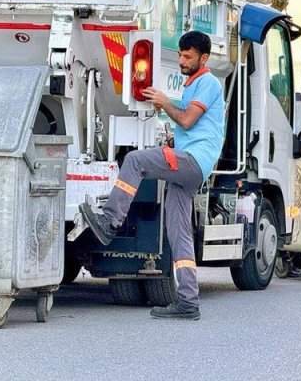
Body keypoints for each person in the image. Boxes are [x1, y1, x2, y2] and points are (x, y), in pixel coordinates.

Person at [80, 30, 224, 319]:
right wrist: (172, 138)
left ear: (203, 58)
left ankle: (109, 222)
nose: (182, 60)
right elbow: (190, 127)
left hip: (193, 162)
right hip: (192, 164)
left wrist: (163, 102)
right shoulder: (192, 85)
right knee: (179, 232)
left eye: (188, 57)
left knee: (134, 161)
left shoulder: (208, 82)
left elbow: (186, 119)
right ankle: (188, 302)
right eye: (181, 55)